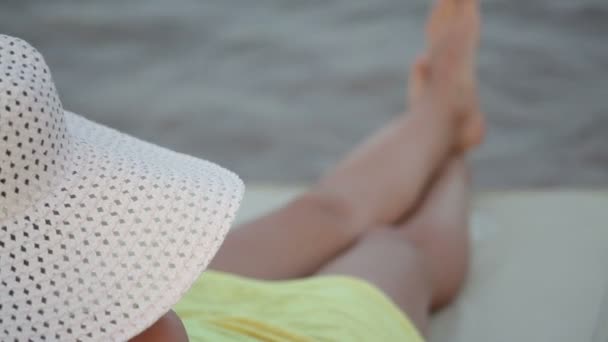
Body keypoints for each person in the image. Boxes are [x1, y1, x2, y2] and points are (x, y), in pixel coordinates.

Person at [0, 0, 482, 340]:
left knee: (323, 215)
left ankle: (441, 112)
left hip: (92, 288)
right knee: (389, 249)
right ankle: (453, 135)